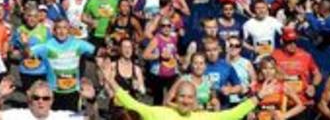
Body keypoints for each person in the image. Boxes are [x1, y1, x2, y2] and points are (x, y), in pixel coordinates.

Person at [100, 60, 257, 120]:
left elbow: (232, 114)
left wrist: (258, 97)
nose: (186, 100)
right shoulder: (158, 114)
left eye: (190, 97)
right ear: (175, 97)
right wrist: (109, 80)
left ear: (195, 100)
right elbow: (132, 104)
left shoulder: (203, 118)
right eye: (182, 96)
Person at [30, 18, 95, 112]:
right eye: (58, 28)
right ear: (54, 31)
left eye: (65, 28)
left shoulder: (78, 44)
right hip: (53, 92)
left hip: (73, 92)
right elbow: (28, 53)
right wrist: (24, 45)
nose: (62, 31)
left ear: (69, 29)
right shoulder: (47, 45)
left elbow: (97, 51)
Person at [253, 56, 305, 120]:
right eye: (265, 68)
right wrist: (252, 113)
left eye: (271, 68)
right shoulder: (255, 86)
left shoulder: (283, 86)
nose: (268, 72)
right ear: (260, 70)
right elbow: (251, 107)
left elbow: (301, 106)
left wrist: (285, 116)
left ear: (275, 70)